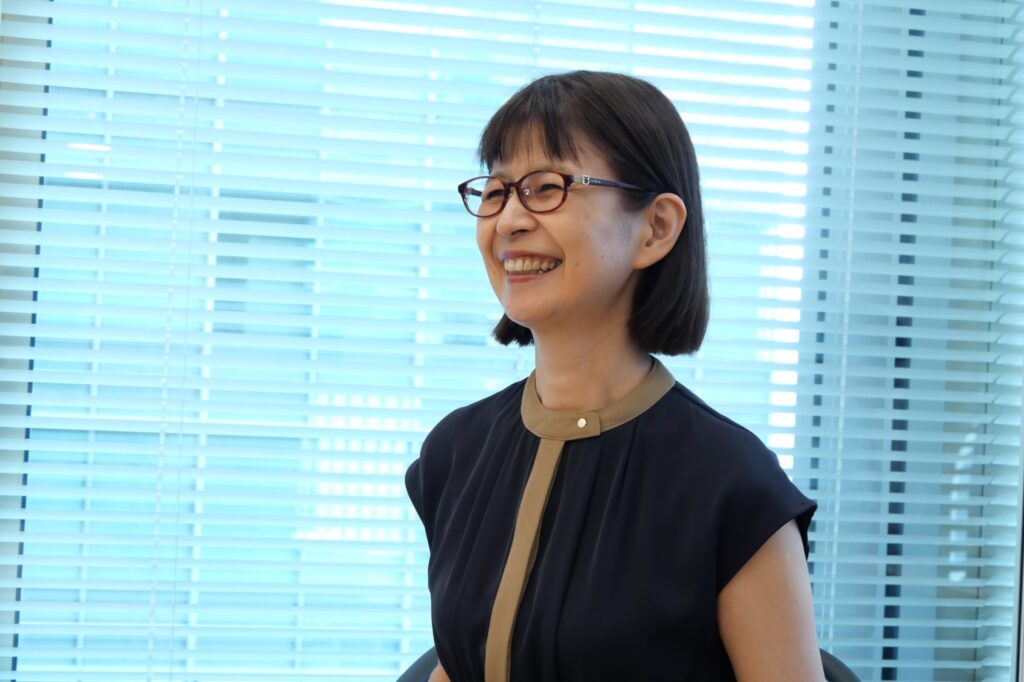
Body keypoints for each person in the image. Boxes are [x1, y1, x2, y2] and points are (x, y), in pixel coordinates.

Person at [405, 70, 823, 682]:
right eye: (495, 191)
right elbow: (470, 660)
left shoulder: (733, 487)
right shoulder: (454, 454)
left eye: (547, 187)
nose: (509, 219)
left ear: (656, 228)